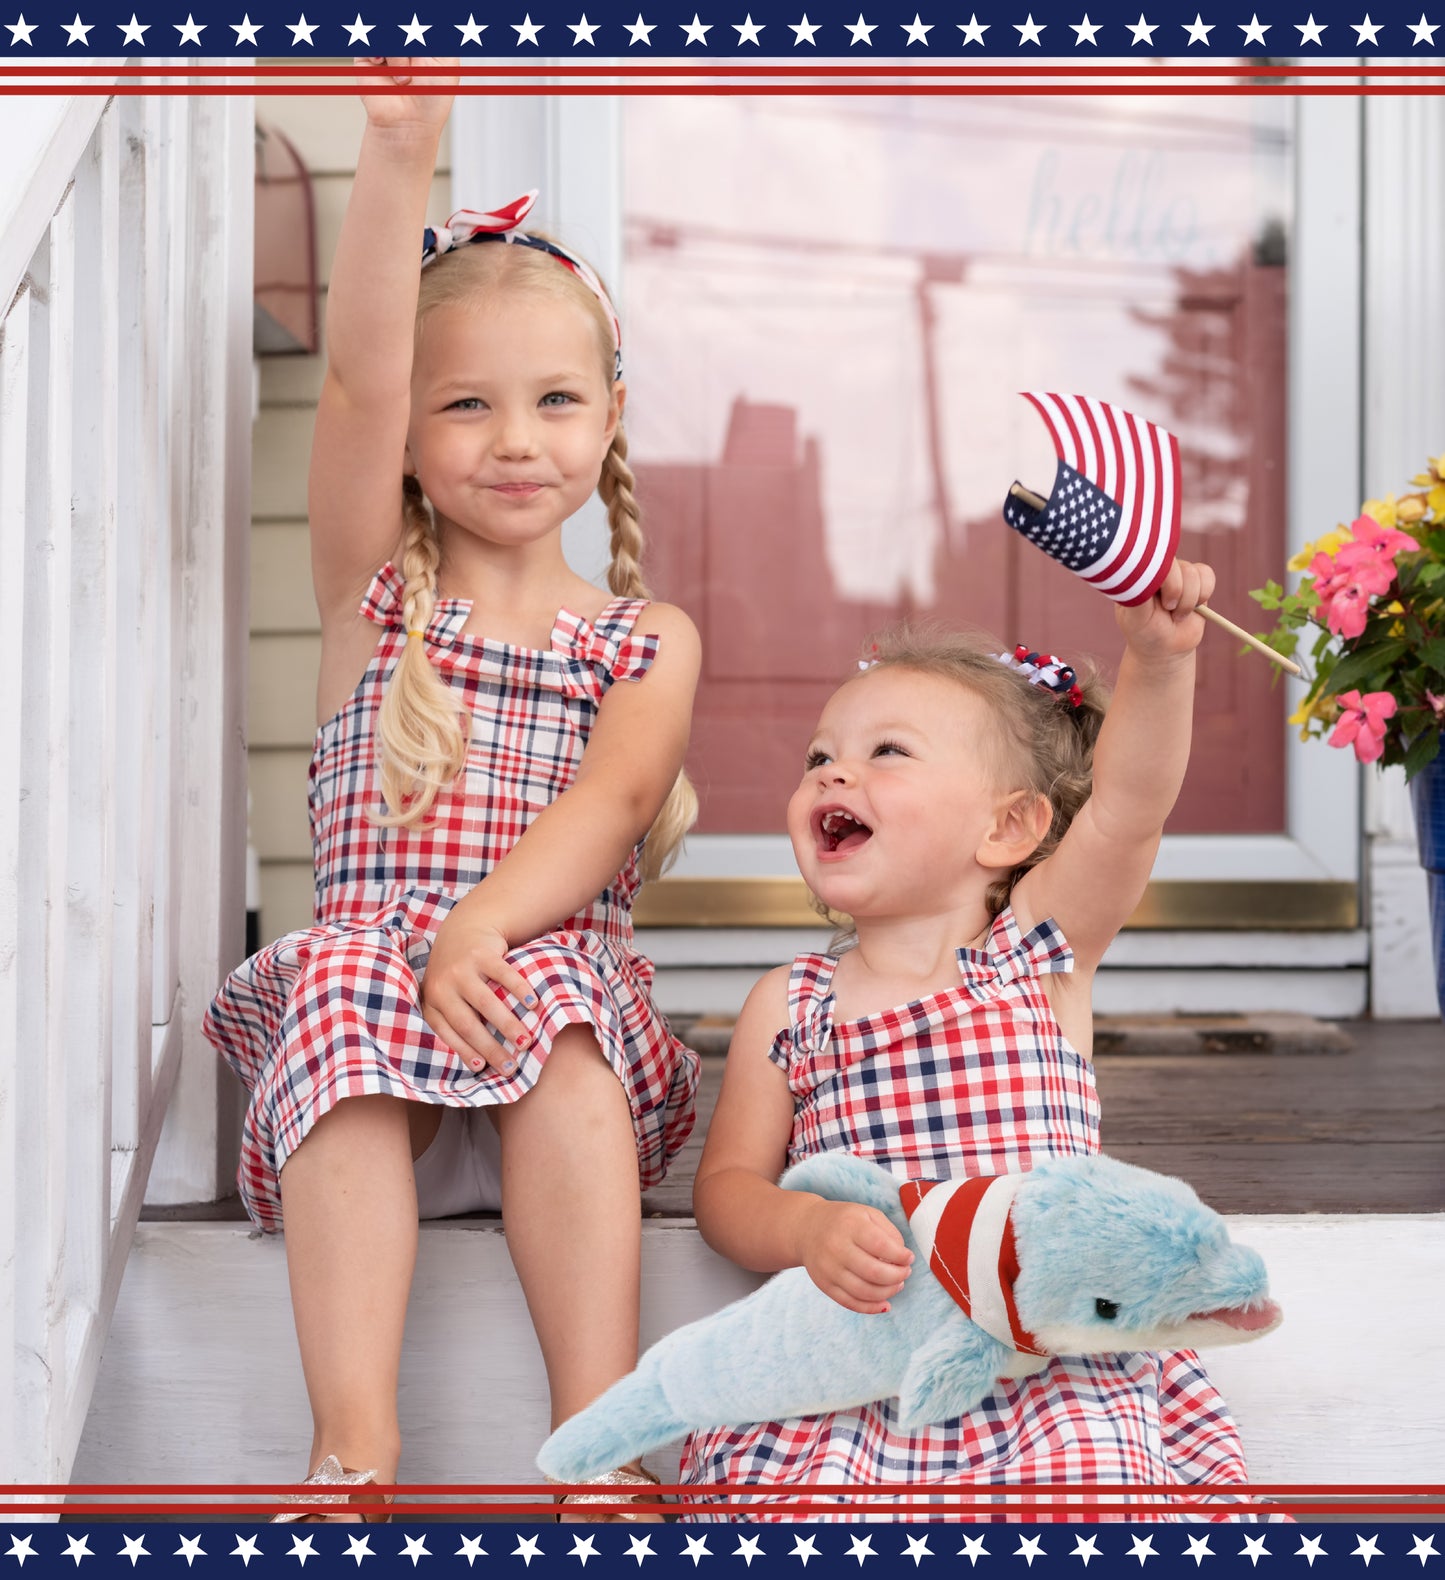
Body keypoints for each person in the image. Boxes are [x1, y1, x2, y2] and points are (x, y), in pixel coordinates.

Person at [204, 61, 700, 1523]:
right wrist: (399, 144)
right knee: (355, 974)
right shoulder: (375, 602)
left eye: (554, 400)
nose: (513, 439)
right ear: (415, 441)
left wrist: (482, 927)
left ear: (609, 416)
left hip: (550, 1054)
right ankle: (352, 1454)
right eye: (465, 405)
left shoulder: (642, 637)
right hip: (374, 1089)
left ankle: (596, 1446)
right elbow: (354, 371)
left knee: (551, 998)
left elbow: (609, 806)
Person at [686, 560, 1263, 1522]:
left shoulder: (1037, 956)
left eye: (887, 753)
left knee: (1086, 1497)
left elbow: (1127, 811)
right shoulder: (792, 1003)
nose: (833, 771)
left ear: (1008, 826)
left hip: (1045, 1363)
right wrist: (802, 1228)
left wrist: (1159, 664)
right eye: (818, 757)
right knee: (802, 1511)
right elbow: (726, 1189)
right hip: (859, 1372)